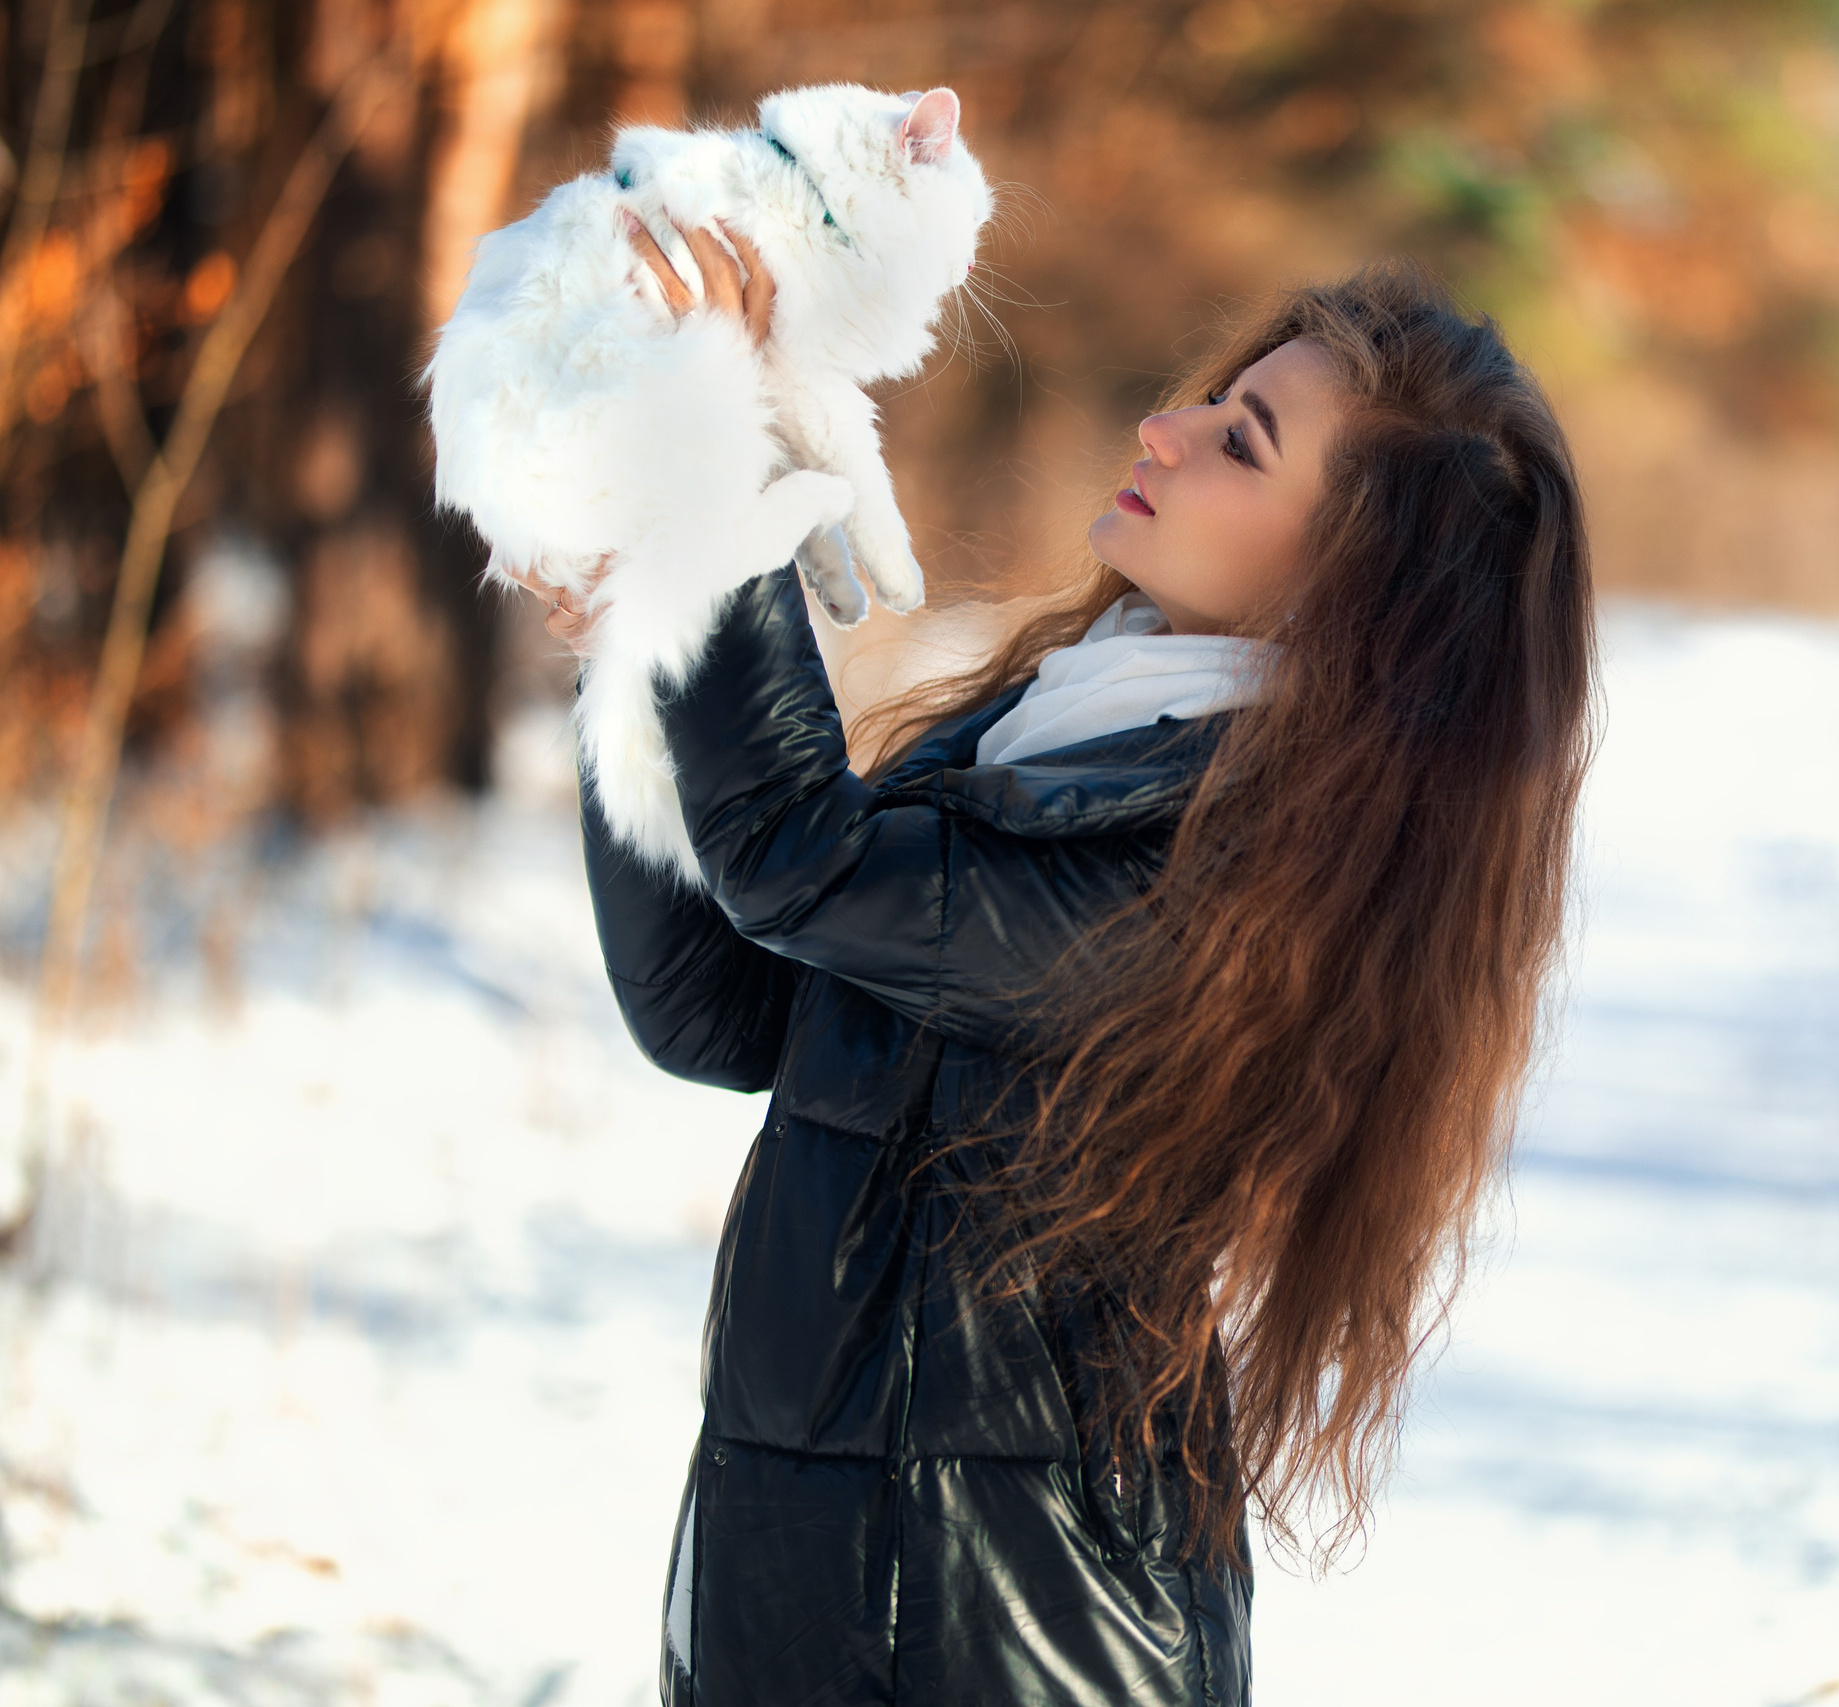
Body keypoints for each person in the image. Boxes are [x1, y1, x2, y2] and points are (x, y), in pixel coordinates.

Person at [528, 228, 1595, 1707]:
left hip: (1028, 1637)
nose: (1167, 426)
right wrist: (636, 657)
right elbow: (719, 1005)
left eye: (1243, 439)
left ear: (1353, 577)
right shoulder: (1061, 733)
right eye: (1215, 403)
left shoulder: (1243, 883)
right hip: (810, 1584)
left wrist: (717, 474)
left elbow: (798, 860)